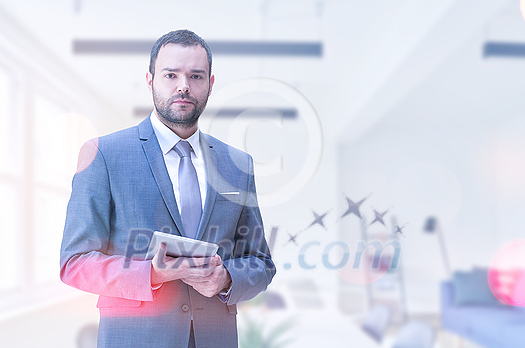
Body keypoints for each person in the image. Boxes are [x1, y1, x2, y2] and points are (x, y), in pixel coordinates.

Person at [60, 30, 276, 348]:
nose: (183, 85)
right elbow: (74, 262)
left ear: (210, 84)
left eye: (195, 76)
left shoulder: (237, 165)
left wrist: (227, 278)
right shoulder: (103, 154)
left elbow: (260, 262)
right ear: (150, 80)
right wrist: (150, 274)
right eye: (171, 74)